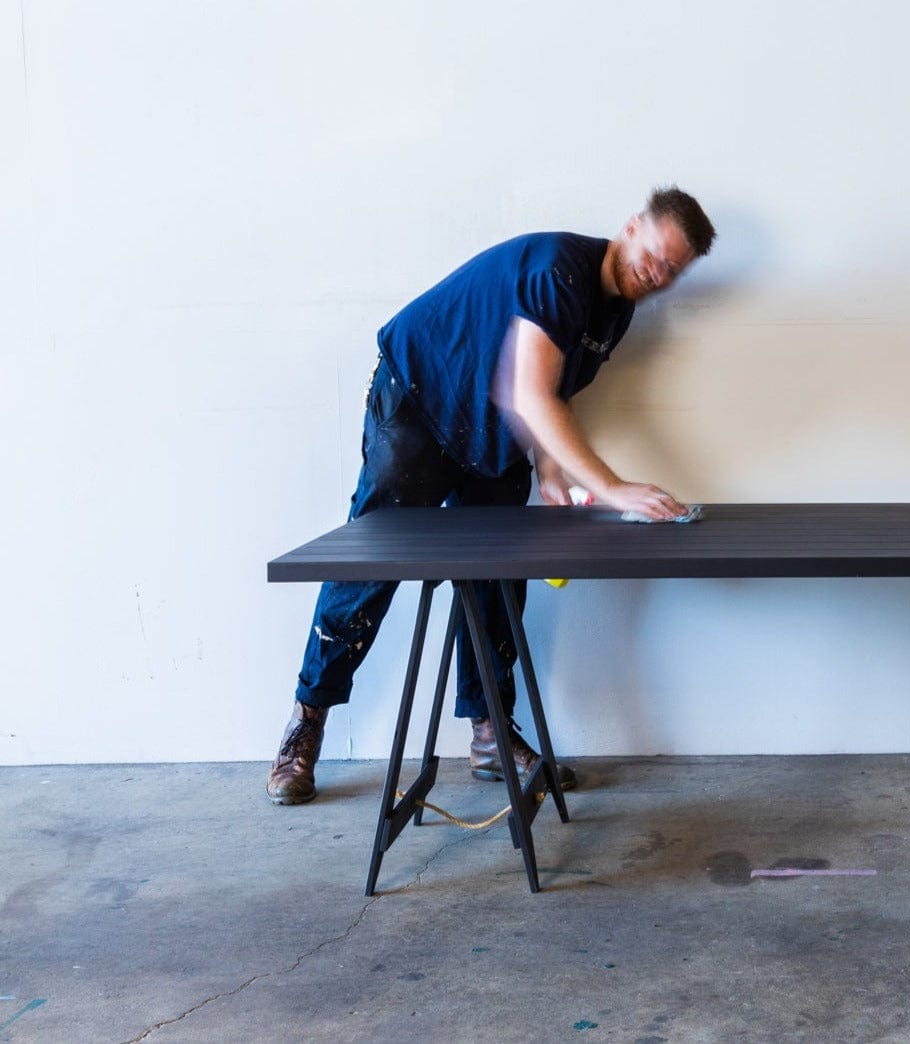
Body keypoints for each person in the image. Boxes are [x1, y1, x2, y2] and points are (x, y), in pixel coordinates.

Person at [267, 186, 717, 805]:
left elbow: (543, 393)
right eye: (655, 254)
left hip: (487, 430)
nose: (657, 273)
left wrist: (550, 471)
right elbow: (533, 396)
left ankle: (489, 738)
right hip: (420, 402)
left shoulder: (615, 313)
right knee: (371, 566)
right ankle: (305, 726)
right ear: (632, 226)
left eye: (673, 270)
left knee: (500, 578)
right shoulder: (561, 270)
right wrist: (610, 487)